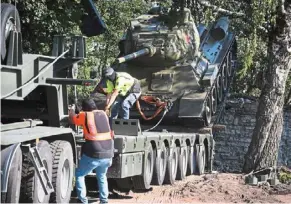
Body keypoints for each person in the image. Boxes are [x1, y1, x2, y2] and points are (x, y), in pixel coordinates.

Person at [69, 98, 114, 204]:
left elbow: (72, 119)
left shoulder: (85, 115)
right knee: (102, 176)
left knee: (79, 174)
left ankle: (82, 200)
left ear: (84, 108)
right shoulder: (103, 114)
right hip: (108, 152)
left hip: (94, 152)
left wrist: (71, 110)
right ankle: (104, 201)